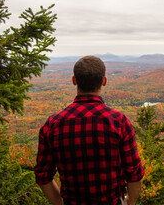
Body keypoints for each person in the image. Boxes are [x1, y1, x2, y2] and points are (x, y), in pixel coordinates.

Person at [34, 55, 144, 205]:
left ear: (74, 80)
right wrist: (129, 202)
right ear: (104, 81)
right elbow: (134, 173)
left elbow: (43, 176)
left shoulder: (52, 125)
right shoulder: (119, 122)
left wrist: (60, 203)